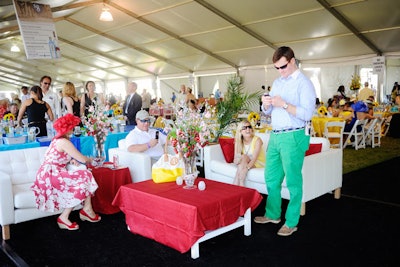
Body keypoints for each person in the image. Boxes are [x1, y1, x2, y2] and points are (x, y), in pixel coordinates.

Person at [255, 46, 316, 237]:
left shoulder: (304, 84)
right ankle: (273, 214)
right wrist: (266, 105)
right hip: (276, 134)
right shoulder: (277, 82)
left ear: (292, 61)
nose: (280, 71)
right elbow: (268, 112)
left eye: (282, 67)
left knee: (293, 181)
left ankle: (291, 222)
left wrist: (284, 104)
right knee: (271, 178)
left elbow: (307, 114)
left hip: (294, 135)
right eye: (277, 68)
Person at [31, 114, 100, 231]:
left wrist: (71, 160)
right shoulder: (63, 141)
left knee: (85, 175)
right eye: (72, 127)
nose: (74, 129)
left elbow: (60, 156)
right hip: (51, 175)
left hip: (48, 174)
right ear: (67, 128)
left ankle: (86, 209)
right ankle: (73, 214)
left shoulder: (58, 140)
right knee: (85, 175)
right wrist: (92, 160)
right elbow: (83, 159)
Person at [233, 120, 265, 186]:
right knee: (243, 158)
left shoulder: (257, 140)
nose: (248, 129)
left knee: (244, 157)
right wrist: (238, 159)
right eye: (245, 128)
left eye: (249, 127)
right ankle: (241, 184)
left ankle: (235, 188)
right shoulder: (238, 141)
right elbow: (236, 159)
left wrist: (246, 170)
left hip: (258, 162)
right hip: (246, 161)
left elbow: (254, 159)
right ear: (240, 131)